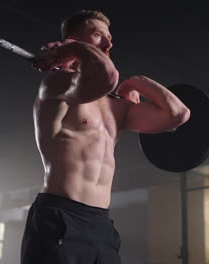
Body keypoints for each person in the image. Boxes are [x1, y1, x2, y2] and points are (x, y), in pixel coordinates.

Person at [20, 10, 190, 264]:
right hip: (58, 216)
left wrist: (137, 83)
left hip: (100, 224)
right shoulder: (56, 85)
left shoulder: (115, 107)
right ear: (73, 39)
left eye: (110, 38)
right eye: (98, 35)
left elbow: (177, 114)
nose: (109, 44)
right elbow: (105, 77)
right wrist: (76, 50)